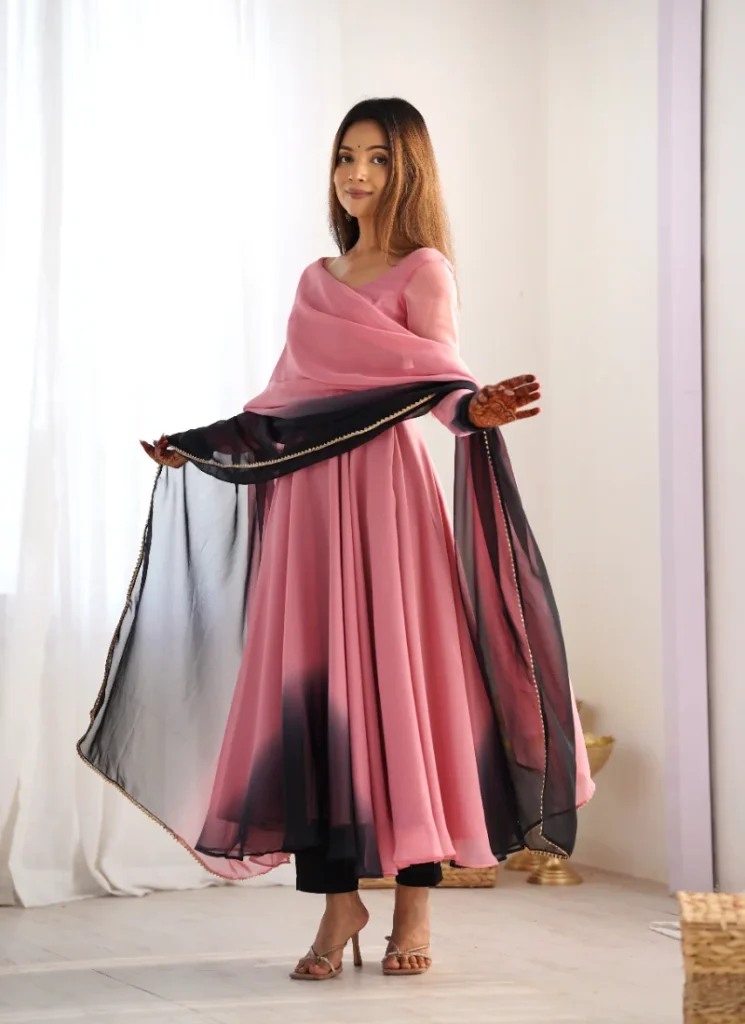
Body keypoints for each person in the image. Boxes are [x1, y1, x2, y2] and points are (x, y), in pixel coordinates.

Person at [78, 97, 593, 984]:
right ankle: (337, 904)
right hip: (309, 507)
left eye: (378, 159)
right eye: (346, 156)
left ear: (408, 170)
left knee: (404, 692)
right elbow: (282, 404)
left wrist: (477, 410)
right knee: (312, 699)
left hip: (387, 502)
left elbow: (441, 386)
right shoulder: (317, 280)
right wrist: (199, 446)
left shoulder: (424, 271)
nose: (357, 174)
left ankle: (415, 907)